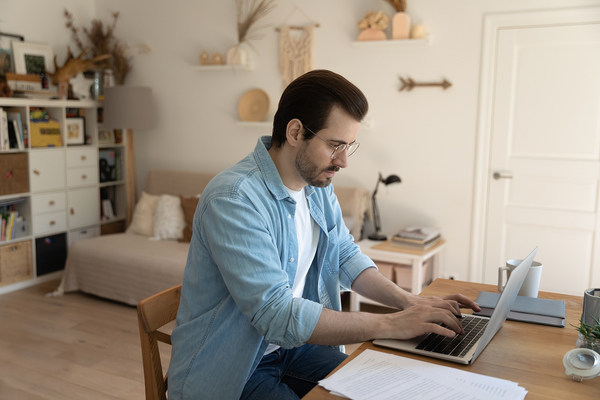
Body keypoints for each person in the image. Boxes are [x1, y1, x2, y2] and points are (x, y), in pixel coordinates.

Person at [167, 69, 480, 400]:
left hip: (292, 348)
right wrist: (393, 324)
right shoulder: (234, 198)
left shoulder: (316, 185)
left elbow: (345, 255)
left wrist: (410, 301)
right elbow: (276, 314)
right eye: (334, 145)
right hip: (232, 367)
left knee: (383, 388)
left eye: (348, 146)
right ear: (295, 132)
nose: (343, 161)